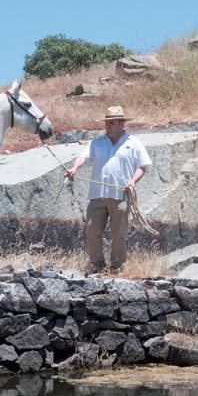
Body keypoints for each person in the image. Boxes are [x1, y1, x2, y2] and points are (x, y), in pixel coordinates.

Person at [64, 106, 152, 273]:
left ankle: (117, 267)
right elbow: (84, 156)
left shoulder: (133, 143)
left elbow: (142, 166)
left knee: (119, 233)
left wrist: (133, 181)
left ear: (122, 123)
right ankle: (97, 265)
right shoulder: (97, 143)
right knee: (92, 229)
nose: (108, 126)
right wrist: (74, 168)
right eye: (107, 123)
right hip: (97, 195)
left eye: (112, 123)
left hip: (121, 195)